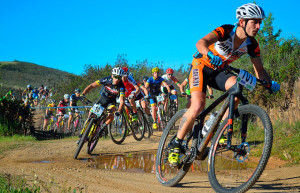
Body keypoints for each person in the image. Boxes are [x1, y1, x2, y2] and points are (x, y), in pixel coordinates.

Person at [168, 3, 281, 166]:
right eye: (254, 22)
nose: (258, 26)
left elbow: (260, 70)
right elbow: (200, 43)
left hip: (220, 72)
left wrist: (269, 83)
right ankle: (176, 145)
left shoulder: (252, 44)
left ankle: (212, 127)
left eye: (260, 22)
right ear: (242, 21)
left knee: (237, 91)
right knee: (198, 105)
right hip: (201, 66)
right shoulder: (226, 31)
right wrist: (209, 54)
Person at [80, 67, 126, 136]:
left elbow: (122, 101)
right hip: (102, 99)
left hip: (111, 102)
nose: (117, 79)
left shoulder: (121, 86)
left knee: (111, 115)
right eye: (116, 76)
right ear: (112, 75)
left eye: (119, 77)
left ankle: (103, 127)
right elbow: (92, 86)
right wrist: (83, 94)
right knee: (90, 114)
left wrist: (119, 111)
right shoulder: (106, 79)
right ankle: (82, 135)